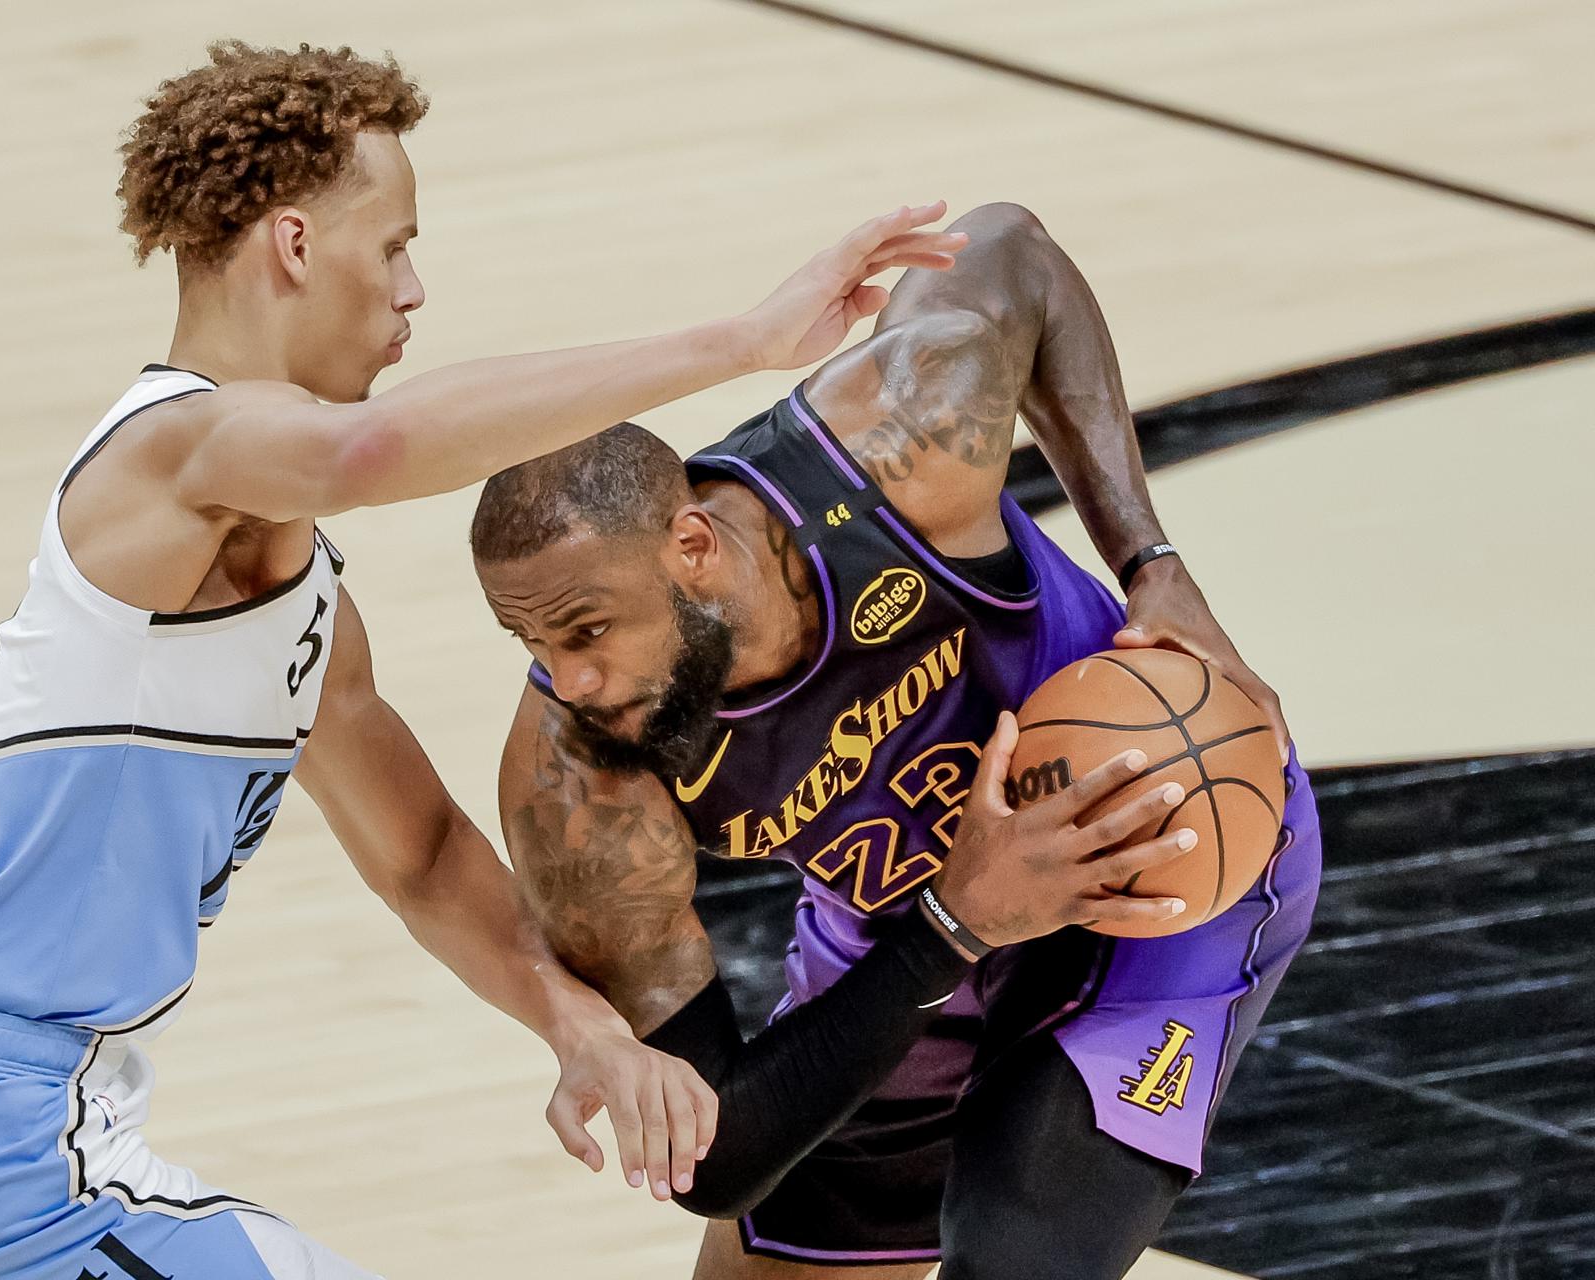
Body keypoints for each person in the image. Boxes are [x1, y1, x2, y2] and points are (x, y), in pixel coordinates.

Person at [0, 40, 966, 1280]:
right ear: (293, 244)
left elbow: (426, 856)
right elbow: (373, 448)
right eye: (390, 244)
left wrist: (580, 1026)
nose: (413, 288)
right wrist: (744, 339)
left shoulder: (301, 605)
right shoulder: (170, 450)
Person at [472, 201, 1322, 1279]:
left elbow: (1014, 249)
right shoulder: (575, 775)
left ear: (692, 545)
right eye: (532, 639)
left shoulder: (880, 459)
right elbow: (716, 1151)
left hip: (1152, 856)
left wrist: (1150, 559)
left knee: (1012, 1265)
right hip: (912, 934)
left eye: (588, 629)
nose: (571, 678)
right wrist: (952, 924)